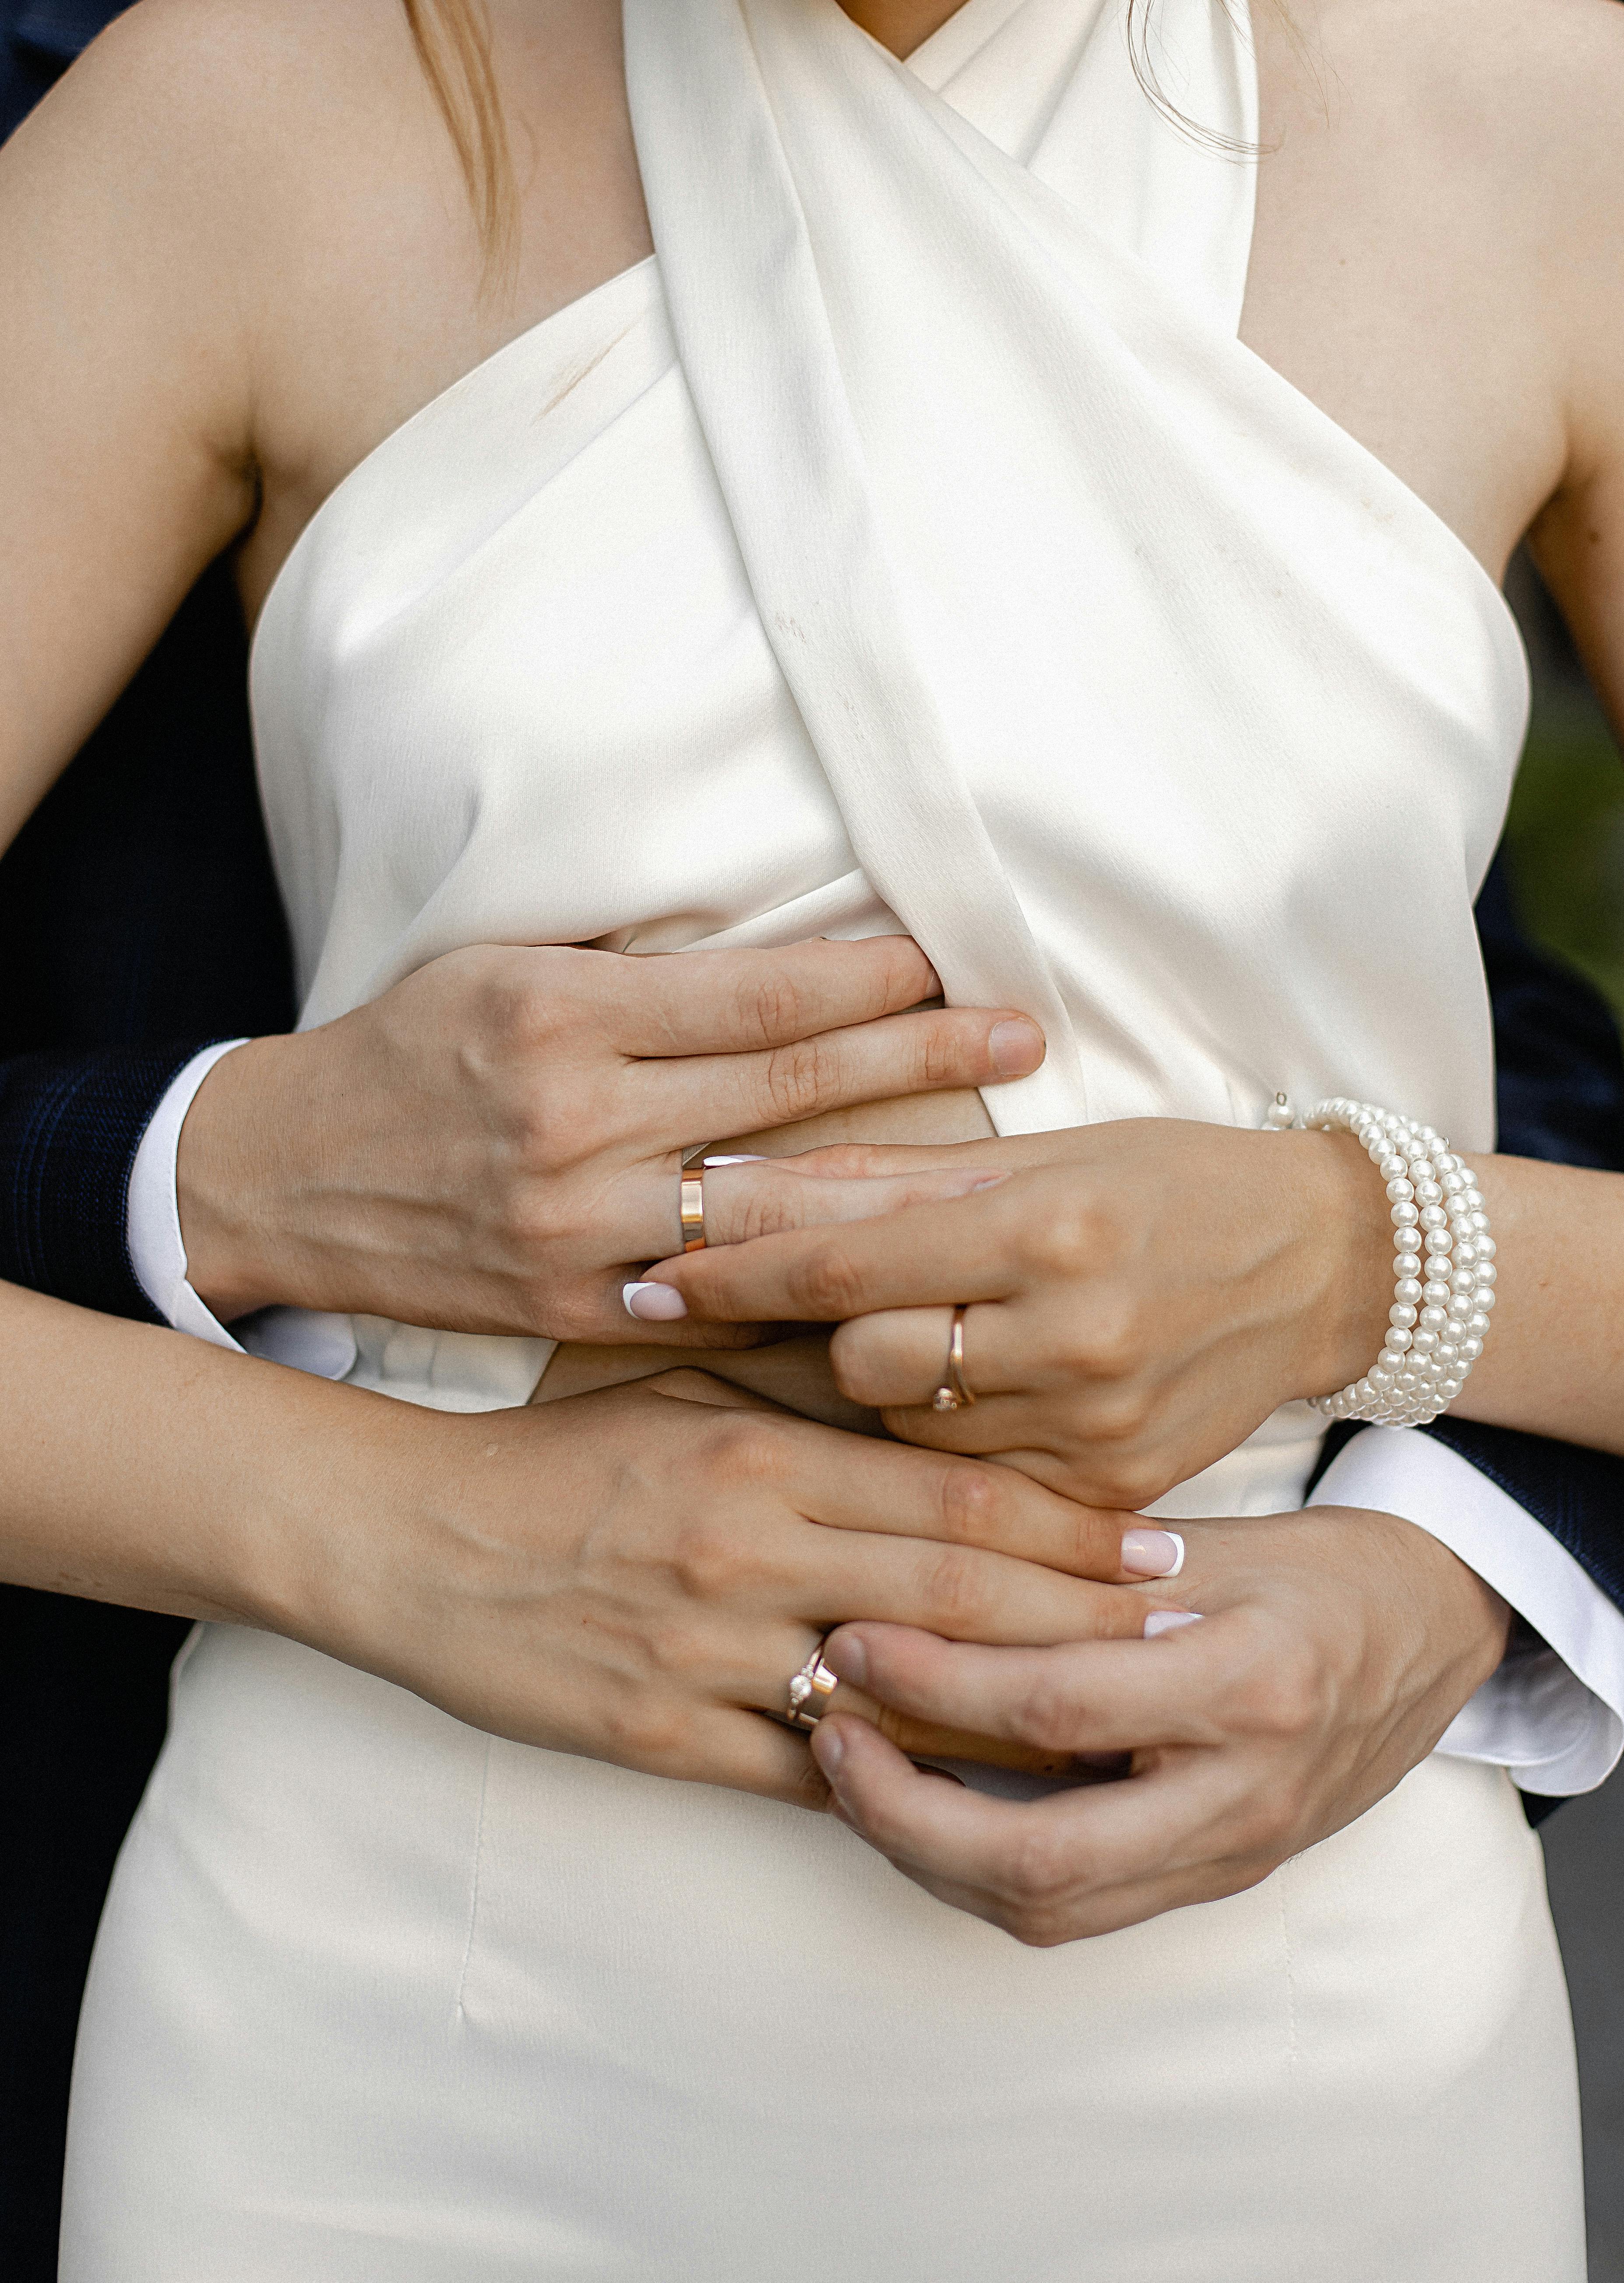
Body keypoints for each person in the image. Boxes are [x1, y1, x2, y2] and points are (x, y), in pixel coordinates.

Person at [4, 0, 1624, 2272]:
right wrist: (386, 1534)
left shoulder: (1542, 110)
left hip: (1302, 2014)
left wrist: (1378, 1262)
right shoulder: (264, 94)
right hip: (392, 2011)